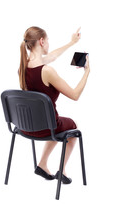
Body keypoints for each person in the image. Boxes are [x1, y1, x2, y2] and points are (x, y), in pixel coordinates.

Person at [18, 26, 90, 184]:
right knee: (72, 126)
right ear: (42, 41)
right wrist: (86, 73)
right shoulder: (47, 71)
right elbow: (75, 95)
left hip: (26, 126)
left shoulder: (23, 67)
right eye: (48, 40)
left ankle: (42, 164)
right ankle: (62, 170)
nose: (49, 44)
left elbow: (52, 56)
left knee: (53, 123)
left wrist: (71, 42)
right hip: (46, 128)